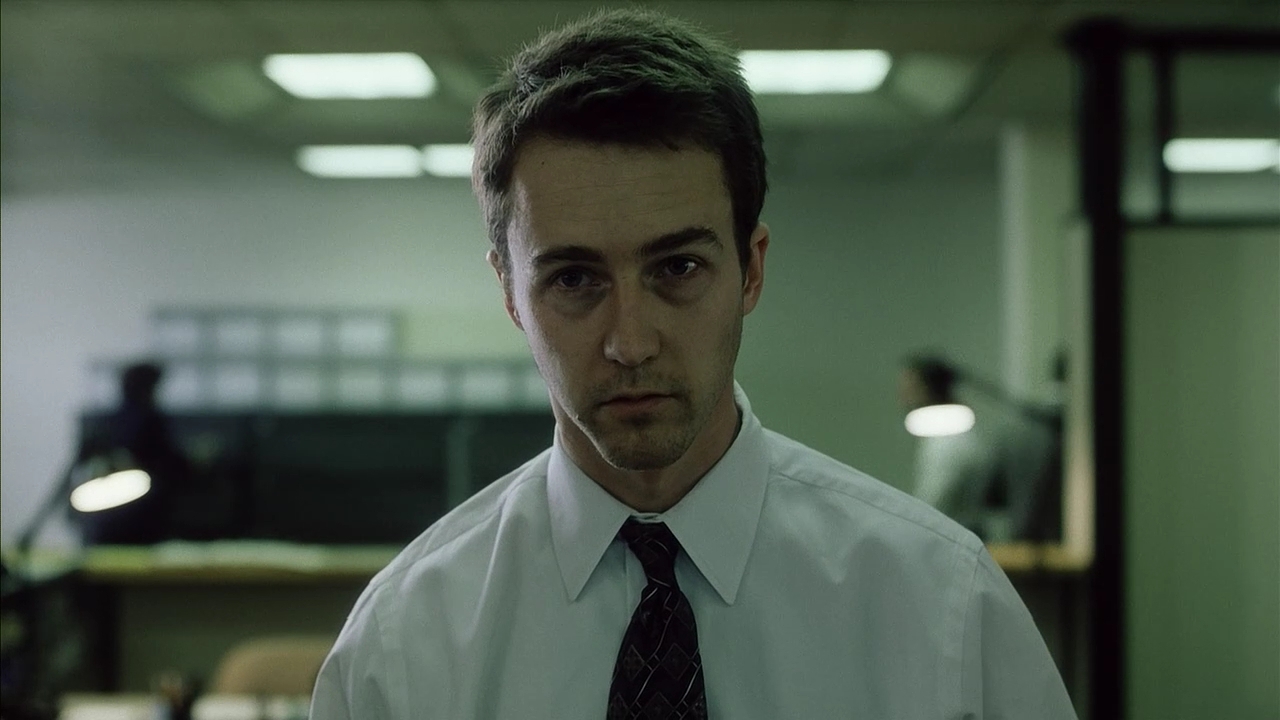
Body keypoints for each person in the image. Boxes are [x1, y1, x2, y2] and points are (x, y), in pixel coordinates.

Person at [311, 8, 1076, 719]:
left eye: (677, 268)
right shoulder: (405, 643)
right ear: (511, 293)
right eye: (573, 279)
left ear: (751, 270)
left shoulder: (941, 607)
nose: (631, 342)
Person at [898, 354, 1003, 539]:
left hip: (949, 539)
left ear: (927, 388)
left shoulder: (946, 440)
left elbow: (933, 503)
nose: (902, 396)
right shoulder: (955, 433)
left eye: (909, 387)